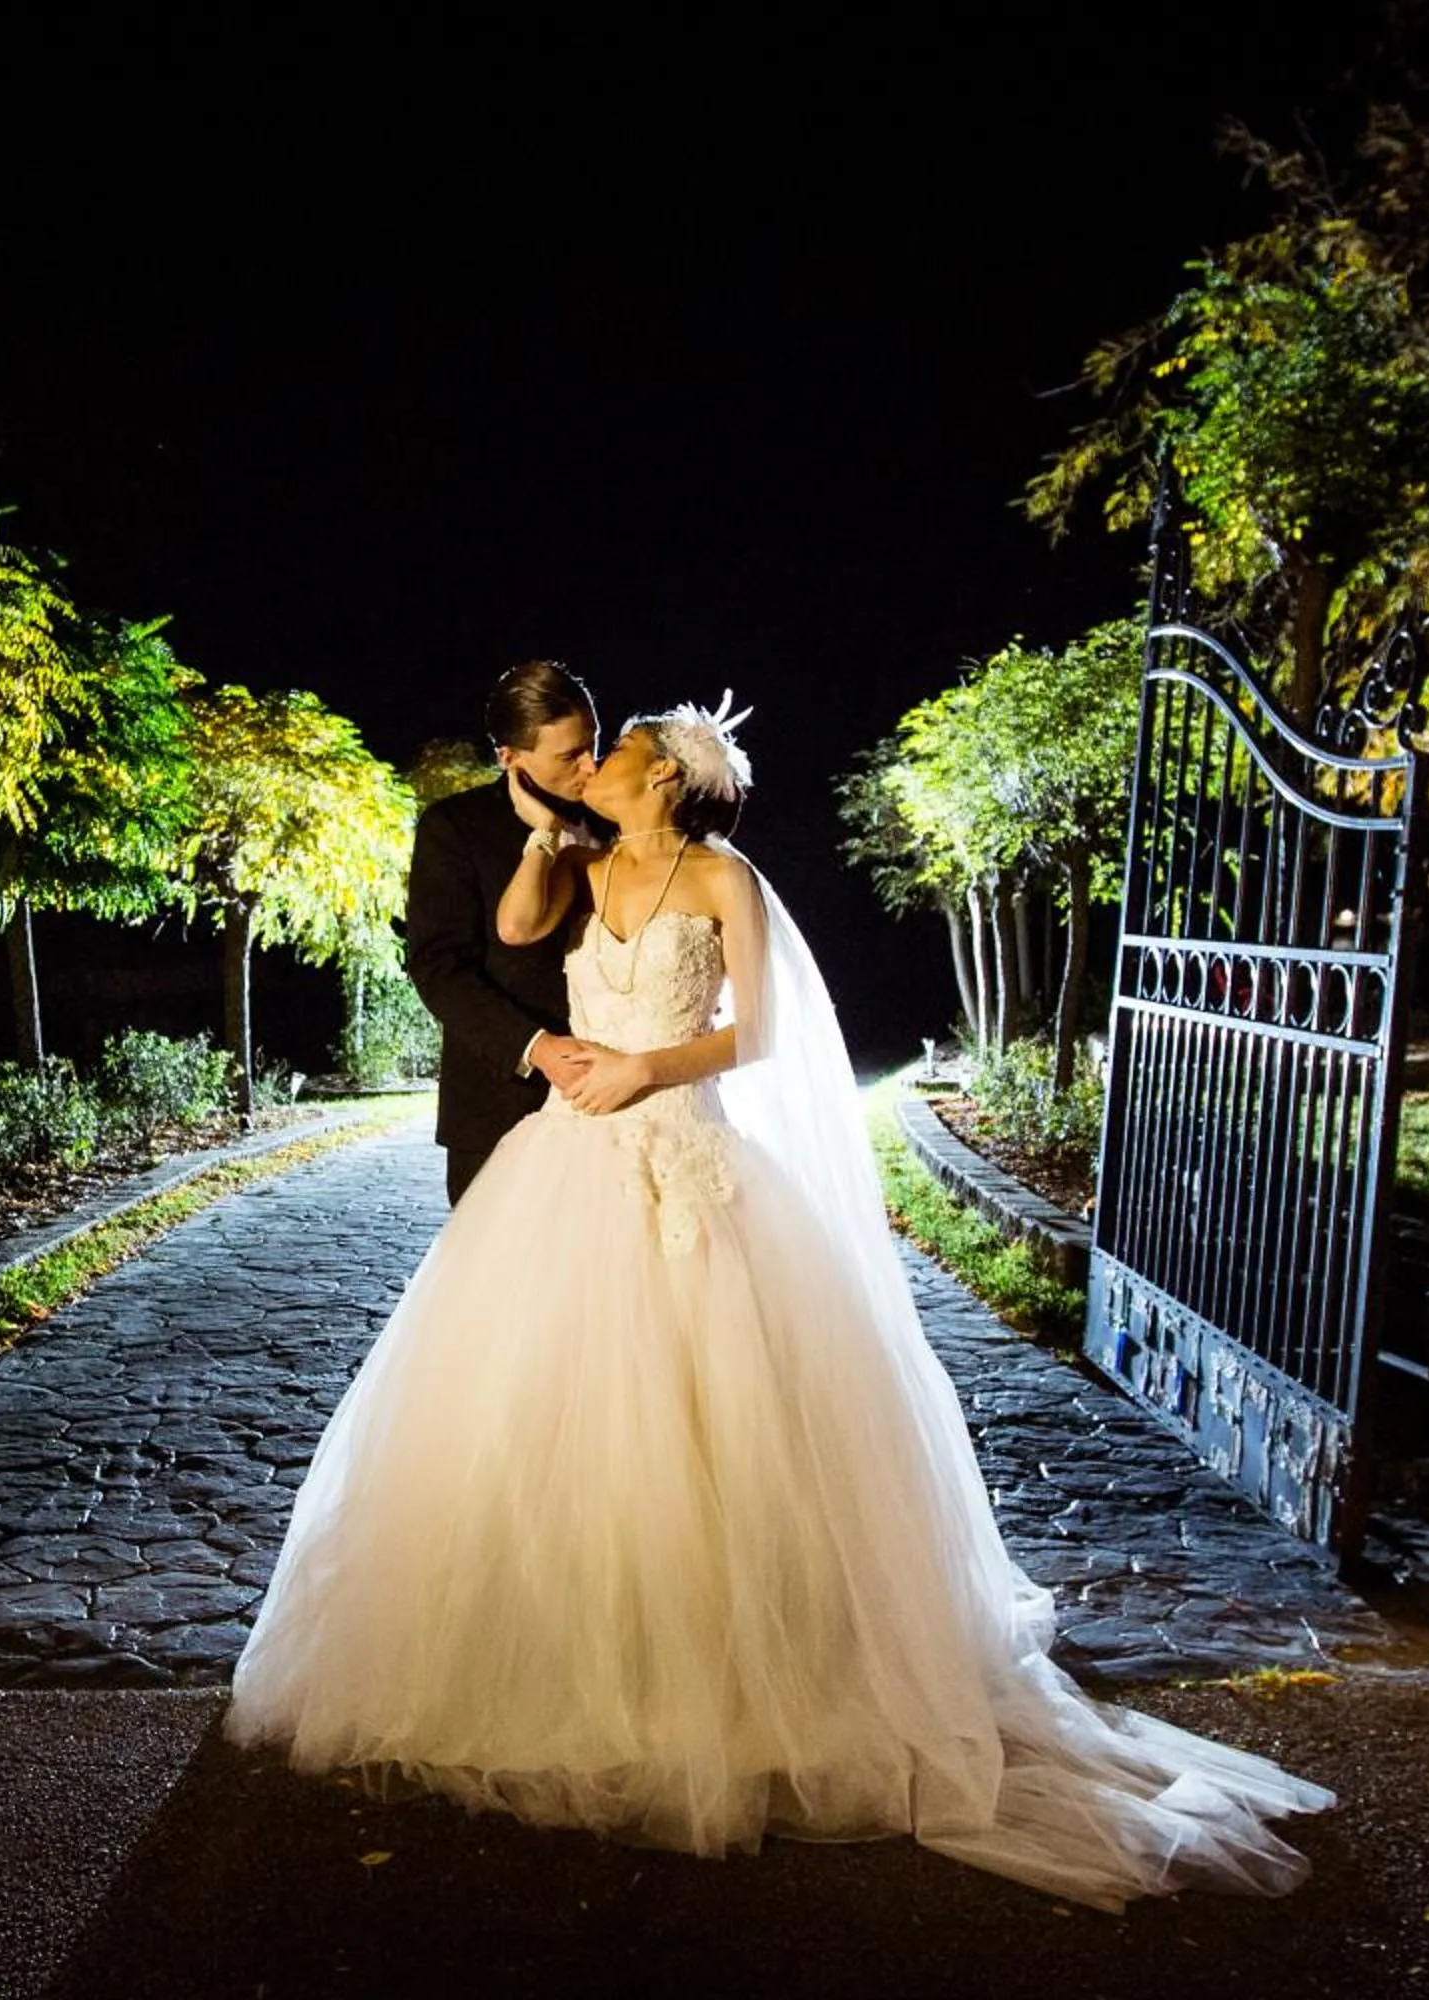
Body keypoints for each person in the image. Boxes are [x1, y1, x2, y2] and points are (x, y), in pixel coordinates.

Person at [226, 697, 1334, 1912]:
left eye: (618, 753)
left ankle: (750, 1672)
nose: (595, 765)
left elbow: (758, 1032)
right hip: (568, 1156)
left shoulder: (726, 880)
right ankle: (564, 1647)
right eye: (580, 755)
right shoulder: (584, 857)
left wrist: (651, 1064)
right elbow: (510, 928)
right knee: (545, 1405)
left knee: (717, 1409)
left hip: (681, 1140)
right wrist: (544, 836)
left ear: (662, 776)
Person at [403, 660, 608, 1203]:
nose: (591, 766)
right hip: (499, 1106)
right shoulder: (454, 829)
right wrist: (535, 1048)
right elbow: (438, 968)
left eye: (594, 743)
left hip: (619, 1101)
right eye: (569, 756)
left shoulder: (624, 819)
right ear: (510, 758)